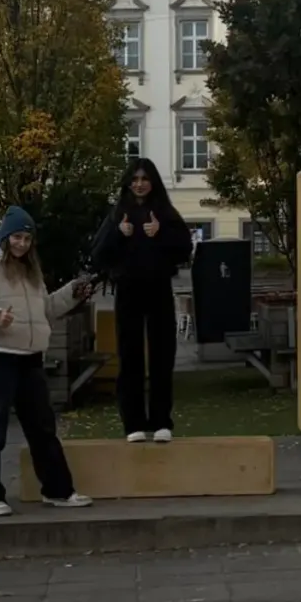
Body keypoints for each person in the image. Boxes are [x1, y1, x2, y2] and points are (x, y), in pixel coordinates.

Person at [0, 205, 95, 519]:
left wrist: (73, 293)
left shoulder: (31, 271)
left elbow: (44, 309)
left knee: (43, 429)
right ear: (5, 238)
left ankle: (58, 490)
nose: (22, 244)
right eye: (16, 237)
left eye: (27, 239)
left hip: (30, 360)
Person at [89, 159, 192, 442]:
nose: (139, 183)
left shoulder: (164, 212)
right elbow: (98, 253)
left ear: (153, 182)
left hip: (159, 289)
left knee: (162, 356)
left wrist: (160, 235)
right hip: (129, 291)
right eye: (134, 179)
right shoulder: (118, 214)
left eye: (144, 178)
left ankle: (161, 422)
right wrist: (118, 235)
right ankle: (133, 423)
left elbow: (185, 247)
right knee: (130, 357)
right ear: (127, 182)